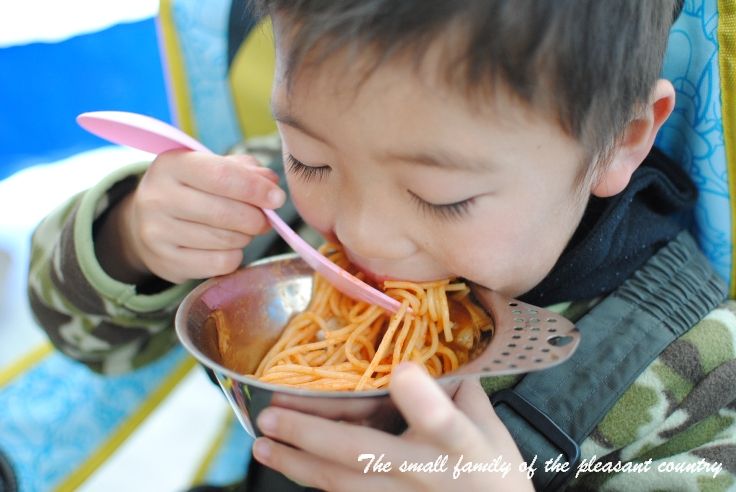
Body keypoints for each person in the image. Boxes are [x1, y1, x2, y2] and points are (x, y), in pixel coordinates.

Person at [28, 1, 735, 491]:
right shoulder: (262, 200)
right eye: (312, 157)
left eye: (441, 197)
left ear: (622, 139)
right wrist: (129, 241)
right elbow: (87, 340)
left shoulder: (702, 385)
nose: (360, 234)